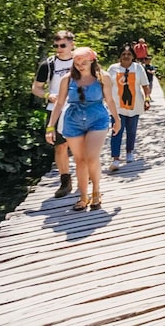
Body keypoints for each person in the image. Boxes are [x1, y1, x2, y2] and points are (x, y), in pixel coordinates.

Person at [46, 47, 121, 211]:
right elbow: (59, 103)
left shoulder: (103, 77)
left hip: (97, 118)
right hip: (73, 120)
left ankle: (96, 191)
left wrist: (117, 119)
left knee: (91, 157)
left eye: (84, 62)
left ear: (92, 61)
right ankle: (83, 196)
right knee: (79, 160)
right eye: (77, 62)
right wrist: (50, 127)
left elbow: (110, 100)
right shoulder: (67, 79)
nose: (80, 65)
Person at [31, 30, 75, 198]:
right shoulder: (48, 65)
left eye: (62, 45)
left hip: (78, 107)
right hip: (55, 109)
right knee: (60, 145)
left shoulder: (80, 61)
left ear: (71, 44)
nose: (59, 49)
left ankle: (85, 175)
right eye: (56, 46)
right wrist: (48, 95)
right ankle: (65, 180)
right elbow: (36, 87)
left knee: (82, 144)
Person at [107, 44, 151, 171]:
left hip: (135, 105)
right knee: (116, 131)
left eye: (129, 54)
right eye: (124, 54)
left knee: (131, 131)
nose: (126, 56)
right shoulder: (113, 69)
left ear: (133, 56)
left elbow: (145, 86)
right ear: (120, 56)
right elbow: (107, 86)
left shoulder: (138, 68)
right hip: (117, 106)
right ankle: (115, 159)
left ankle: (129, 152)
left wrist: (147, 99)